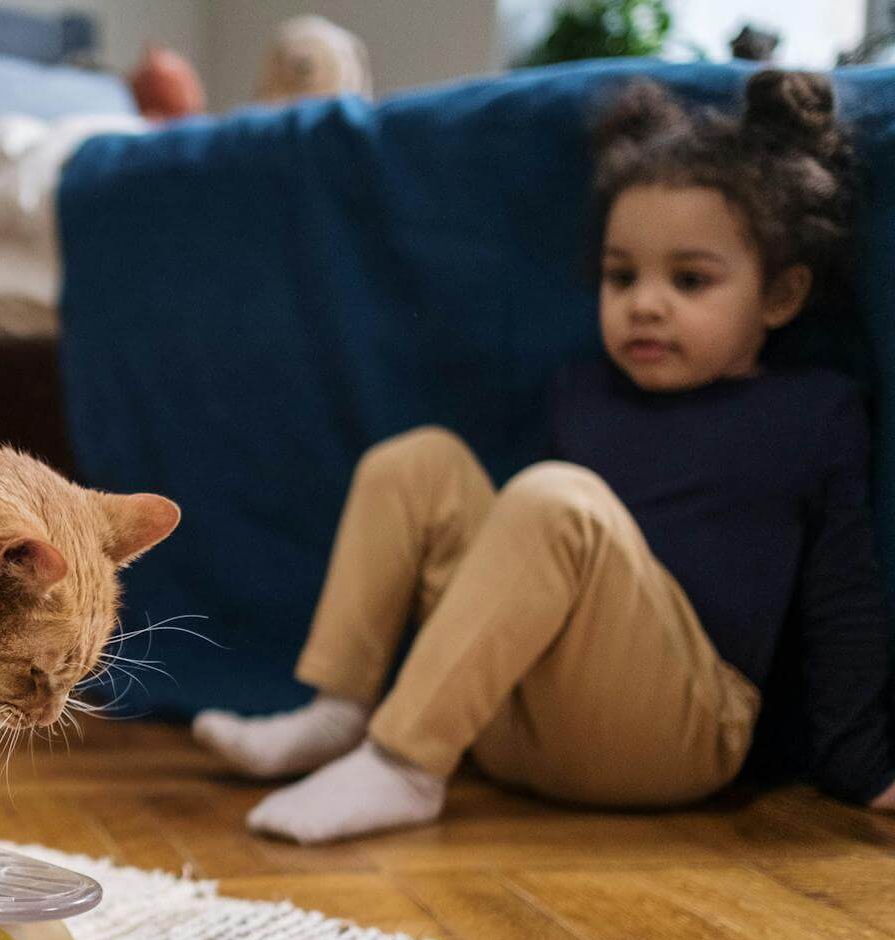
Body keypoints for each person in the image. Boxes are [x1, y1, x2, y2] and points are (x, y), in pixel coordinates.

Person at [194, 71, 895, 843]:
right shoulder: (583, 393)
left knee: (554, 498)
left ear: (780, 297)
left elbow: (843, 597)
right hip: (513, 727)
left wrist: (862, 762)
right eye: (621, 276)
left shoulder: (808, 412)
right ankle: (342, 711)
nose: (646, 302)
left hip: (676, 739)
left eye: (689, 279)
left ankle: (402, 765)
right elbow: (522, 584)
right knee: (417, 463)